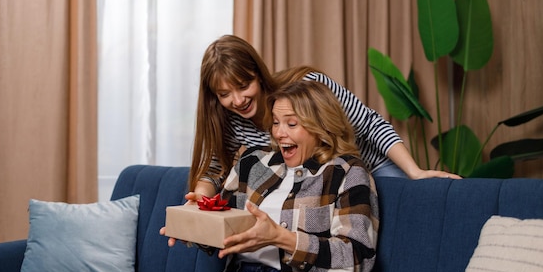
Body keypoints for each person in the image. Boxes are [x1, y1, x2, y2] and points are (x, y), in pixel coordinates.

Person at [95, 80, 379, 272]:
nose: (280, 133)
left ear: (321, 126)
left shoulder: (346, 173)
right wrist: (196, 225)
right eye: (276, 123)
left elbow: (356, 258)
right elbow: (226, 231)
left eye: (291, 124)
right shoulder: (254, 164)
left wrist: (282, 238)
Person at [189, 34, 460, 202]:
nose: (238, 100)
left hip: (371, 167)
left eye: (244, 85)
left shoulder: (310, 87)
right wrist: (197, 204)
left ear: (259, 74)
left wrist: (415, 172)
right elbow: (215, 169)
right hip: (327, 189)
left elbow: (370, 124)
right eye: (225, 94)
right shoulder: (231, 122)